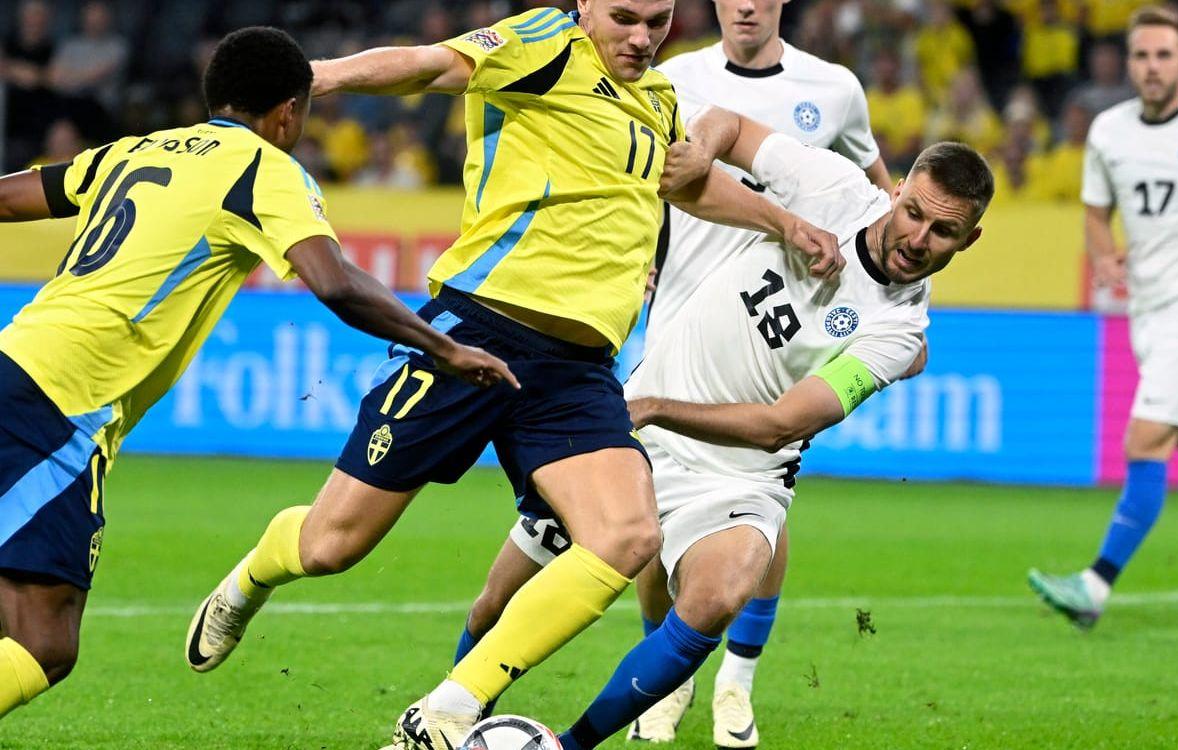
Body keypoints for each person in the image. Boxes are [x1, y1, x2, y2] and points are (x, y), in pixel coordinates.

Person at [183, 3, 841, 749]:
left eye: (657, 20)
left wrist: (782, 222)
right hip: (477, 332)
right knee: (332, 546)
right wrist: (318, 77)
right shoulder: (545, 44)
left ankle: (451, 707)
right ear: (586, 3)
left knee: (626, 536)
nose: (642, 37)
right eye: (624, 17)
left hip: (578, 369)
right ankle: (251, 580)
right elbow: (434, 65)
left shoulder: (655, 99)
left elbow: (683, 188)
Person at [0, 26, 512, 721]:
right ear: (288, 113)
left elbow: (8, 197)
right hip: (58, 406)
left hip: (18, 359)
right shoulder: (263, 169)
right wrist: (443, 347)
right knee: (42, 640)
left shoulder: (139, 148)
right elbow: (333, 283)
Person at [464, 111, 989, 750]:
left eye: (945, 232)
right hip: (642, 426)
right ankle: (442, 721)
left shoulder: (899, 335)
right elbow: (730, 127)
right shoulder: (834, 188)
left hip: (736, 471)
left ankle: (573, 744)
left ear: (970, 241)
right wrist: (700, 152)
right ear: (900, 189)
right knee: (496, 602)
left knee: (717, 594)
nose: (919, 238)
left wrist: (656, 407)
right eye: (915, 214)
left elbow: (779, 426)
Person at [452, 0, 895, 744]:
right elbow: (634, 167)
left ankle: (735, 684)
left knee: (755, 523)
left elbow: (884, 192)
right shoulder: (667, 75)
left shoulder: (835, 90)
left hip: (763, 353)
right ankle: (466, 704)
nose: (746, 4)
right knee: (613, 543)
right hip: (669, 338)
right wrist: (643, 253)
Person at [1027, 6, 1178, 629]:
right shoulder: (1108, 131)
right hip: (1148, 315)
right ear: (1129, 64)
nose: (1152, 67)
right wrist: (1104, 259)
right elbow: (1097, 212)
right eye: (1141, 56)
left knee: (1143, 441)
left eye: (1164, 56)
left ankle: (1095, 585)